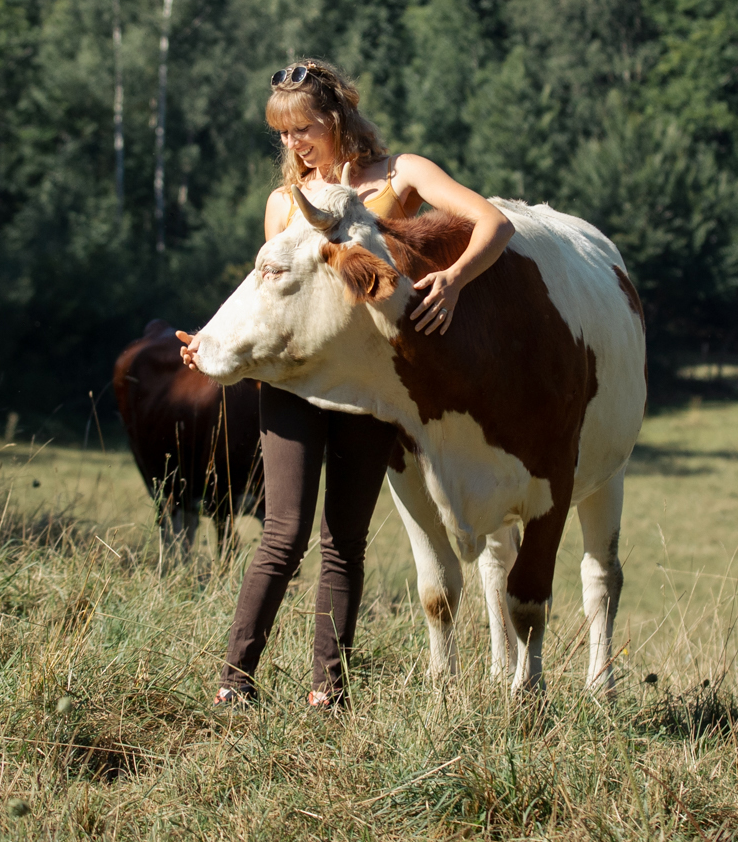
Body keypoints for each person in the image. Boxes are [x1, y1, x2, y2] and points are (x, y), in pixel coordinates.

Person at [186, 59, 512, 709]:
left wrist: (454, 280)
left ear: (336, 120)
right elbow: (270, 296)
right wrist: (210, 341)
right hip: (293, 384)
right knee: (284, 534)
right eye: (281, 133)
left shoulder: (402, 177)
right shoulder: (284, 203)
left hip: (370, 391)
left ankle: (328, 691)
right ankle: (234, 682)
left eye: (301, 128)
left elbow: (495, 224)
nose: (291, 144)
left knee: (345, 540)